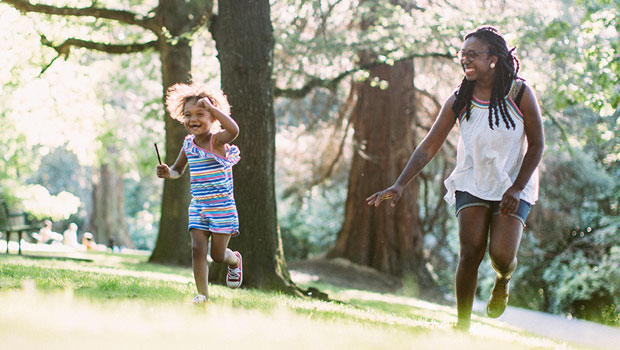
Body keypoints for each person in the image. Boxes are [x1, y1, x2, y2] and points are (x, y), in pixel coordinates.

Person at [366, 26, 544, 331]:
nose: (465, 60)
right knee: (470, 251)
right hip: (472, 181)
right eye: (463, 55)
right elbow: (429, 146)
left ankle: (503, 280)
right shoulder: (460, 98)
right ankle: (462, 327)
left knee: (501, 256)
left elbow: (538, 144)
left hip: (514, 184)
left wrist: (516, 188)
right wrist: (399, 184)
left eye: (472, 54)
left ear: (493, 59)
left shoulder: (520, 93)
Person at [156, 82, 243, 303]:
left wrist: (213, 109)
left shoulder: (217, 140)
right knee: (197, 249)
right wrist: (168, 172)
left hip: (221, 207)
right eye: (188, 115)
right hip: (199, 206)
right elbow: (178, 170)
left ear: (213, 118)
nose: (193, 119)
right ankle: (202, 295)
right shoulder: (188, 144)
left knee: (217, 255)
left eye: (200, 114)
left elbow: (234, 130)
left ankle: (234, 262)